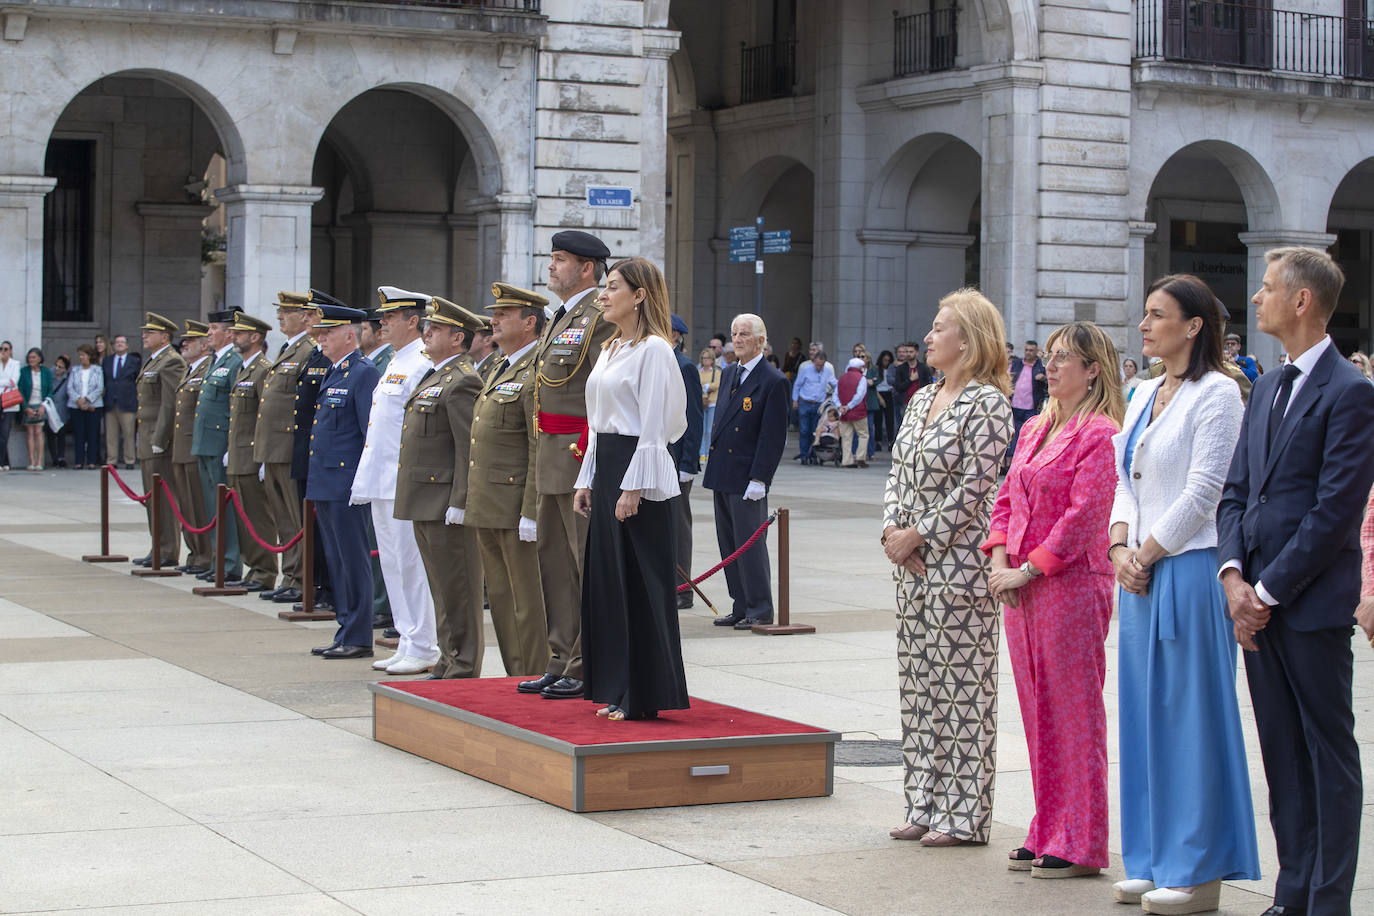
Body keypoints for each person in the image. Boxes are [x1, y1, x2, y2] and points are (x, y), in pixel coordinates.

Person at [1216, 246, 1374, 915]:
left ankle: (1328, 899)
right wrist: (1232, 577)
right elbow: (1236, 494)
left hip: (1306, 606)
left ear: (1303, 300)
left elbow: (1335, 511)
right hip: (1253, 603)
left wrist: (1267, 592)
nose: (1258, 299)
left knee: (1325, 756)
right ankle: (1292, 891)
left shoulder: (1351, 391)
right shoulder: (1270, 386)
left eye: (1268, 287)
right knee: (1281, 755)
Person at [1108, 274, 1259, 913]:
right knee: (1143, 719)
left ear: (1193, 326)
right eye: (1144, 314)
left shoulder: (1219, 393)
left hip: (1189, 569)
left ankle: (1198, 871)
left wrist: (1144, 552)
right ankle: (1151, 855)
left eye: (1156, 314)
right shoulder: (1143, 391)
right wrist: (1118, 547)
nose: (1144, 325)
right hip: (1138, 572)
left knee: (1191, 717)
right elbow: (1126, 479)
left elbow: (1207, 491)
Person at [982, 320, 1124, 879]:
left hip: (1069, 585)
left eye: (1066, 358)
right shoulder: (1035, 426)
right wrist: (1000, 560)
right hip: (1020, 584)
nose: (1050, 366)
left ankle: (1082, 839)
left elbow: (1085, 516)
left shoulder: (1100, 432)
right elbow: (1006, 499)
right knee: (1039, 711)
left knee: (1073, 713)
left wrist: (1029, 569)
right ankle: (1048, 825)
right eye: (1051, 356)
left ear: (1092, 370)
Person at [882, 288, 1013, 847]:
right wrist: (892, 531)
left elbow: (976, 487)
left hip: (958, 565)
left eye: (940, 328)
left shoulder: (988, 403)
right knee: (919, 686)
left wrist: (920, 532)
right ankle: (924, 801)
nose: (929, 336)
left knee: (962, 693)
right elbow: (895, 472)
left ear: (969, 339)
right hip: (910, 566)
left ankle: (963, 815)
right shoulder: (920, 399)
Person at [573, 256, 689, 720]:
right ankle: (618, 686)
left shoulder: (655, 350)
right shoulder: (610, 349)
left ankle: (643, 694)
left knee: (640, 582)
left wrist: (633, 487)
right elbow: (598, 425)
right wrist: (587, 479)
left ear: (639, 295)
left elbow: (657, 426)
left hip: (638, 474)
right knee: (608, 582)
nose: (603, 294)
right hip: (607, 470)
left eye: (613, 286)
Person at [523, 229, 617, 701]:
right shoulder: (559, 318)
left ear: (586, 268)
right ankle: (559, 657)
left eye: (560, 259)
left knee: (583, 565)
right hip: (549, 455)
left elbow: (598, 395)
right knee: (554, 565)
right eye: (552, 258)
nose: (551, 266)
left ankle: (584, 662)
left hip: (579, 456)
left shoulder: (599, 315)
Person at [393, 296, 487, 680]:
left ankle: (463, 664)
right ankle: (449, 658)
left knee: (458, 589)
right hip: (425, 500)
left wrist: (462, 501)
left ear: (456, 337)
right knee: (441, 589)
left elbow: (469, 448)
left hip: (445, 501)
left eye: (435, 329)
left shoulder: (463, 379)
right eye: (427, 327)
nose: (426, 333)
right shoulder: (437, 375)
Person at [353, 286, 440, 677]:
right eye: (382, 318)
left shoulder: (421, 362)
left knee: (411, 564)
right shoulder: (394, 361)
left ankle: (424, 644)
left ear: (413, 321)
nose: (381, 323)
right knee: (393, 563)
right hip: (382, 478)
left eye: (390, 318)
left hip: (404, 480)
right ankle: (407, 639)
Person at [472, 283, 553, 678]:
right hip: (488, 503)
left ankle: (534, 672)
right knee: (502, 598)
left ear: (529, 322)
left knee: (526, 600)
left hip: (514, 503)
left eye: (504, 314)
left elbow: (538, 443)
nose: (494, 320)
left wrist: (531, 509)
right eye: (496, 313)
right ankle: (513, 674)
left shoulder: (537, 367)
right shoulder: (496, 366)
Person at [306, 293, 380, 660]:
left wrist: (363, 482)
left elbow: (369, 433)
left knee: (352, 560)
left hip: (346, 483)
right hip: (326, 481)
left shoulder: (363, 373)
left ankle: (359, 635)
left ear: (348, 336)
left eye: (327, 333)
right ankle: (345, 629)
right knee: (336, 561)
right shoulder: (336, 371)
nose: (320, 339)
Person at [704, 312, 790, 629]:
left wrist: (760, 478)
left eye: (744, 334)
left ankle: (759, 607)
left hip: (747, 476)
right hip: (723, 472)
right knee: (729, 545)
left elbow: (772, 436)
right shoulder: (729, 374)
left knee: (749, 546)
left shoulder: (773, 381)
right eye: (734, 333)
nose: (737, 340)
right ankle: (740, 604)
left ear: (760, 341)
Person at [252, 293, 315, 604]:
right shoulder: (287, 349)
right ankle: (289, 574)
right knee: (282, 517)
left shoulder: (308, 350)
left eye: (287, 312)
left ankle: (300, 577)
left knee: (294, 516)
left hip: (289, 445)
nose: (280, 318)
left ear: (304, 316)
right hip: (273, 446)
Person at [224, 312, 276, 593]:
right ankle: (253, 567)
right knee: (243, 516)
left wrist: (262, 457)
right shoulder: (244, 368)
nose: (234, 336)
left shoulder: (263, 369)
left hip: (251, 455)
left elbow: (263, 417)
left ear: (255, 337)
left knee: (258, 516)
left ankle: (265, 570)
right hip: (237, 453)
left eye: (240, 333)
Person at [192, 310, 243, 583]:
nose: (209, 333)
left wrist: (228, 447)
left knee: (224, 508)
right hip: (205, 443)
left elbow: (234, 408)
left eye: (213, 328)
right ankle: (217, 558)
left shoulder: (234, 363)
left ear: (229, 333)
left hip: (219, 444)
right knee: (212, 507)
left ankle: (230, 561)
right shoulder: (213, 362)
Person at [130, 315, 185, 568]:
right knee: (152, 498)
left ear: (164, 336)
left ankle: (167, 549)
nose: (144, 335)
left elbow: (169, 403)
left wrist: (161, 438)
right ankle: (158, 546)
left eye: (150, 332)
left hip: (157, 439)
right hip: (147, 435)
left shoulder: (171, 361)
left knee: (163, 497)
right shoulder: (154, 360)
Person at [170, 322, 212, 575]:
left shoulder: (206, 368)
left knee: (199, 504)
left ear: (204, 344)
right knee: (187, 504)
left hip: (194, 445)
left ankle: (206, 555)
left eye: (191, 340)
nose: (184, 343)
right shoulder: (189, 370)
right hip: (182, 445)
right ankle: (196, 553)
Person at [668, 314, 704, 610]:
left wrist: (688, 464)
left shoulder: (685, 367)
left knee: (678, 527)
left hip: (676, 459)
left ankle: (682, 590)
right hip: (656, 457)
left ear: (675, 336)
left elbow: (693, 418)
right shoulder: (654, 362)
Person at [1006, 339, 1048, 460]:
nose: (1028, 353)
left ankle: (1025, 459)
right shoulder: (1017, 364)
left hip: (1031, 407)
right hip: (1015, 405)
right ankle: (1012, 460)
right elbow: (1007, 379)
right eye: (1026, 350)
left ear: (1035, 352)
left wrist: (1043, 378)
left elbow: (1049, 382)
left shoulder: (1040, 365)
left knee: (1029, 435)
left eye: (1031, 350)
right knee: (1014, 434)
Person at [104, 334, 141, 470]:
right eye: (117, 342)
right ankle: (112, 460)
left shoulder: (134, 361)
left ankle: (129, 459)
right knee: (111, 434)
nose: (119, 344)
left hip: (128, 402)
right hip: (110, 402)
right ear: (114, 345)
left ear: (127, 345)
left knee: (128, 433)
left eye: (122, 342)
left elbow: (138, 381)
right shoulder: (107, 361)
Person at [792, 350, 836, 463]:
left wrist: (836, 398)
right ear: (814, 361)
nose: (819, 367)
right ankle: (804, 455)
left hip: (818, 404)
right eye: (817, 364)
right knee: (804, 430)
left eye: (821, 365)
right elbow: (797, 385)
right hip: (805, 402)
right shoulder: (806, 370)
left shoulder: (827, 371)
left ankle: (813, 455)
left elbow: (835, 384)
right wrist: (795, 400)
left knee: (815, 431)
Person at [67, 344, 104, 469]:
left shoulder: (97, 370)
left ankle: (92, 461)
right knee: (79, 434)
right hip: (76, 406)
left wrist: (87, 399)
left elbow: (99, 388)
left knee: (92, 433)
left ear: (89, 356)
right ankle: (79, 461)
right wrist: (78, 399)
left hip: (94, 406)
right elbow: (70, 387)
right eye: (80, 355)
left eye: (83, 355)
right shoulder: (75, 370)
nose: (81, 357)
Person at [18, 347, 54, 470]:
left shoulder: (46, 372)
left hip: (41, 404)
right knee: (30, 432)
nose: (31, 360)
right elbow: (20, 390)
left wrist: (43, 405)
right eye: (29, 357)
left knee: (39, 432)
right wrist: (26, 407)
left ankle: (39, 461)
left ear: (40, 358)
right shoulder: (24, 372)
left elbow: (50, 390)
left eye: (34, 357)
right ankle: (31, 461)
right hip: (29, 404)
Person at [836, 357, 869, 468]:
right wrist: (849, 406)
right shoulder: (861, 378)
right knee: (863, 435)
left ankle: (847, 460)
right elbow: (859, 395)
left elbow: (835, 394)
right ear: (860, 367)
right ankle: (860, 458)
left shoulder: (841, 377)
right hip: (858, 412)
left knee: (846, 437)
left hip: (843, 413)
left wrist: (840, 407)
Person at [890, 342, 935, 414]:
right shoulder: (900, 369)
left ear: (917, 353)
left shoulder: (924, 368)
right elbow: (898, 387)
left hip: (921, 403)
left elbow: (929, 385)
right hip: (905, 403)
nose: (908, 354)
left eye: (911, 352)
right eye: (907, 351)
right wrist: (910, 379)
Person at [46, 354, 71, 468]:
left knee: (61, 434)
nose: (57, 369)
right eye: (56, 365)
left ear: (65, 368)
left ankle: (61, 457)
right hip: (51, 408)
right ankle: (54, 458)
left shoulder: (68, 378)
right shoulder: (49, 375)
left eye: (60, 367)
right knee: (50, 434)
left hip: (62, 409)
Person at [698, 347, 720, 463]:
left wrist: (706, 386)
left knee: (709, 430)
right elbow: (696, 383)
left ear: (712, 360)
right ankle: (701, 453)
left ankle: (708, 452)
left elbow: (716, 384)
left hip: (712, 403)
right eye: (703, 358)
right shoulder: (698, 371)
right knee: (701, 429)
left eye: (707, 358)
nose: (705, 360)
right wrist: (706, 386)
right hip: (701, 403)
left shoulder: (716, 372)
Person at [0, 341, 18, 471]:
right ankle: (6, 462)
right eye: (1, 349)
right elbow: (8, 381)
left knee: (4, 433)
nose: (3, 351)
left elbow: (13, 381)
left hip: (9, 401)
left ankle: (1, 462)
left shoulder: (15, 364)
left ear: (11, 351)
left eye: (6, 349)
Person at [873, 350, 895, 449]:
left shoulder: (892, 369)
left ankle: (890, 441)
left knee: (889, 419)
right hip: (879, 393)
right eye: (884, 360)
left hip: (889, 393)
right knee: (878, 419)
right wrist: (880, 398)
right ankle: (878, 441)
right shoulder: (876, 369)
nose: (886, 362)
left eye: (888, 360)